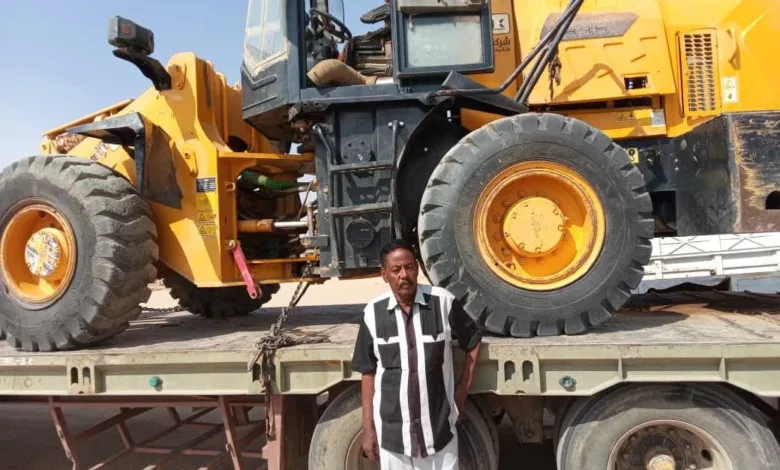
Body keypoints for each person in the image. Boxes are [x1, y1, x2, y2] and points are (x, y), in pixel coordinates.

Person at [351, 239, 483, 470]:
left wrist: (461, 393)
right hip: (393, 436)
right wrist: (368, 430)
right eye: (396, 270)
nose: (404, 275)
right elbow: (368, 373)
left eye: (409, 267)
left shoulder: (442, 302)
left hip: (439, 431)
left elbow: (472, 339)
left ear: (417, 268)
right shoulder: (373, 313)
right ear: (384, 275)